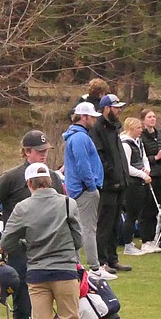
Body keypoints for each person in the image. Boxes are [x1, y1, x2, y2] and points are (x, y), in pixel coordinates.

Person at [0, 162, 86, 319]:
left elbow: (7, 242)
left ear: (29, 184)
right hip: (66, 271)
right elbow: (79, 239)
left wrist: (26, 245)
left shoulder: (22, 207)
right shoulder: (68, 203)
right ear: (50, 180)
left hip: (36, 272)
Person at [0, 130, 65, 319]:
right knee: (23, 308)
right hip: (20, 253)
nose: (43, 155)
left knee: (45, 309)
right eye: (39, 151)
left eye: (45, 151)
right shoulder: (11, 177)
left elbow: (62, 209)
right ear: (26, 152)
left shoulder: (53, 177)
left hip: (47, 252)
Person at [63, 101, 110, 279]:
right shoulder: (80, 137)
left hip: (80, 189)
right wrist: (91, 186)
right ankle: (95, 268)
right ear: (83, 117)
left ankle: (82, 264)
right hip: (84, 190)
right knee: (88, 229)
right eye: (91, 117)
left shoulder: (76, 136)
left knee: (82, 228)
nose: (94, 121)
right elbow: (83, 165)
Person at [90, 93, 131, 275]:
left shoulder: (114, 128)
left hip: (120, 183)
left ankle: (113, 259)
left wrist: (123, 176)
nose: (119, 110)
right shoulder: (98, 128)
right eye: (116, 107)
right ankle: (102, 260)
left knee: (115, 224)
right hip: (107, 185)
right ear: (107, 108)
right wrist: (112, 174)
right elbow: (101, 157)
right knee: (104, 223)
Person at [119, 117, 153, 257]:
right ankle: (127, 244)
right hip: (132, 183)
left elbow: (143, 157)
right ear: (131, 128)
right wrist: (142, 174)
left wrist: (147, 169)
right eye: (138, 128)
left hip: (140, 180)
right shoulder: (126, 144)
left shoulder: (138, 142)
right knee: (131, 215)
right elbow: (127, 167)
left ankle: (130, 242)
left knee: (136, 213)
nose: (141, 130)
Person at [138, 109, 161, 253]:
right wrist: (155, 158)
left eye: (154, 117)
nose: (152, 119)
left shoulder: (159, 134)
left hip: (160, 174)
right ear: (143, 120)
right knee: (147, 209)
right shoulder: (141, 137)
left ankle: (153, 238)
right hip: (149, 175)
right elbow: (140, 159)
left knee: (157, 208)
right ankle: (145, 239)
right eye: (149, 117)